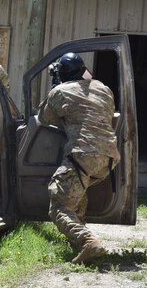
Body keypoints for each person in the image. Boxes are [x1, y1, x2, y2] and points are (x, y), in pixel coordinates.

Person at [37, 53, 120, 264]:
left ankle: (87, 241)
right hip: (109, 158)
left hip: (82, 156)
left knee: (58, 206)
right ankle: (80, 245)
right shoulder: (103, 89)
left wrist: (54, 87)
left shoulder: (60, 92)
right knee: (76, 192)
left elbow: (43, 119)